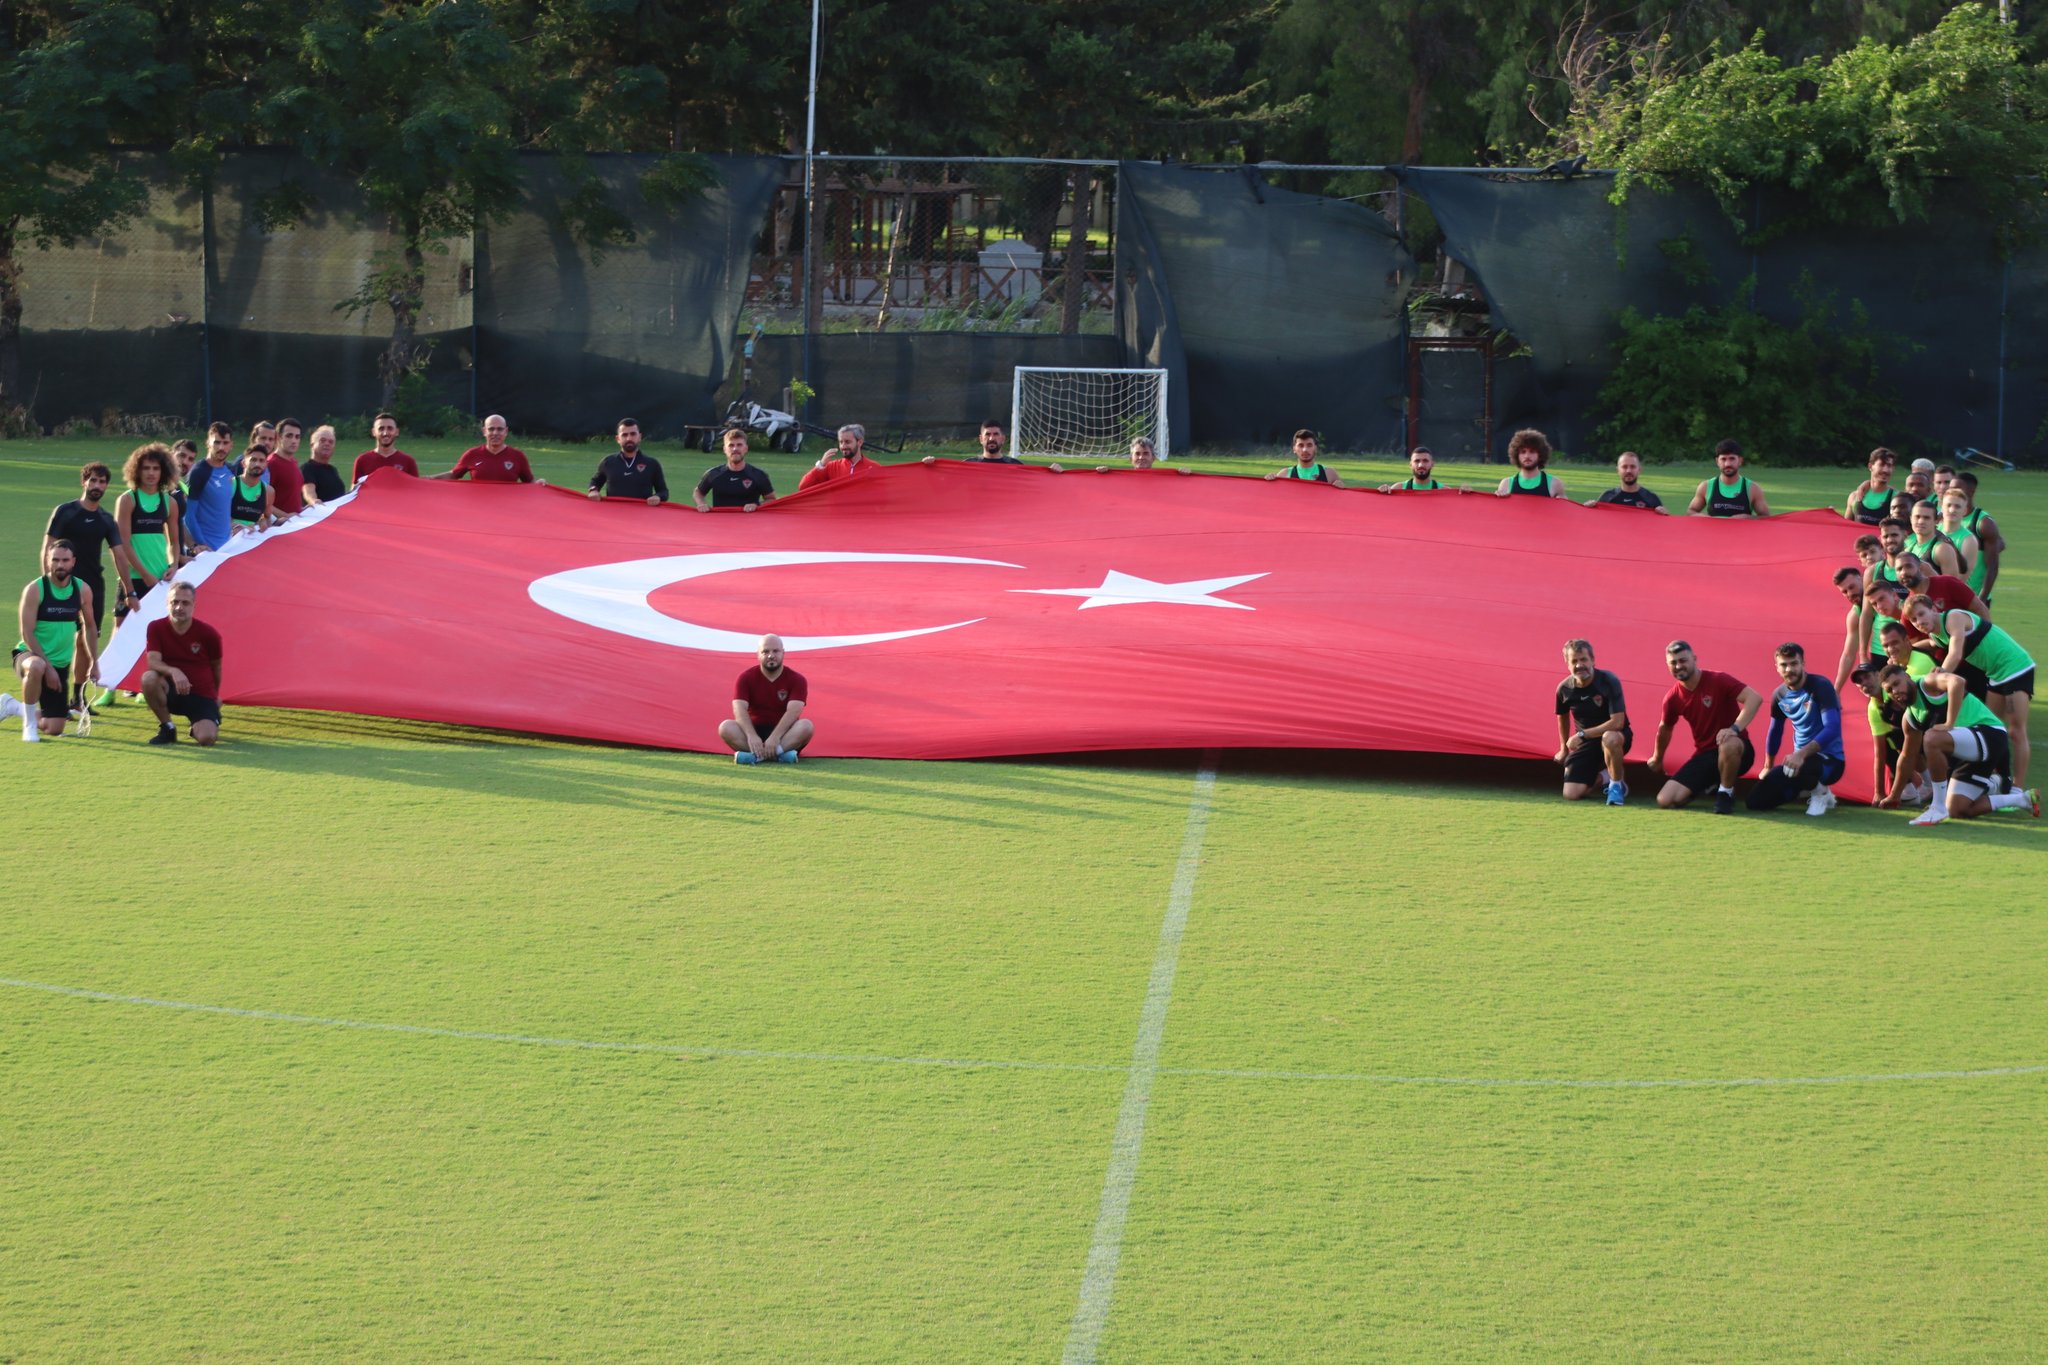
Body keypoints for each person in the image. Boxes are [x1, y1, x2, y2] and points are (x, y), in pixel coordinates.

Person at [1878, 664, 2038, 825]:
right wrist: (1894, 795)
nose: (1895, 692)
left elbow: (1957, 682)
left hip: (1990, 734)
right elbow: (1907, 756)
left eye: (1897, 683)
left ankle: (1938, 807)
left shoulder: (1927, 683)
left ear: (1907, 677)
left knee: (1932, 738)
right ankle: (2021, 799)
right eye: (1890, 690)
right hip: (1971, 752)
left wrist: (1949, 723)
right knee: (1958, 809)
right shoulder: (1910, 717)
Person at [1905, 592, 2034, 784]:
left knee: (2016, 731)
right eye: (1914, 620)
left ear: (1934, 609)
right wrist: (1908, 648)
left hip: (2016, 667)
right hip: (1995, 674)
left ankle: (2017, 787)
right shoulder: (1936, 634)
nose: (1919, 621)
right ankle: (2000, 779)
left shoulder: (1954, 618)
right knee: (1992, 728)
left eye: (1921, 614)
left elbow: (1955, 654)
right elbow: (1932, 643)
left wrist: (1941, 677)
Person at [44, 462, 143, 675]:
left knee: (86, 638)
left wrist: (130, 590)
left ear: (106, 486)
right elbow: (48, 549)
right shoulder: (65, 512)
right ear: (84, 482)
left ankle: (78, 698)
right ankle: (52, 689)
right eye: (93, 480)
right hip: (64, 583)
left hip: (93, 586)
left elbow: (119, 555)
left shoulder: (106, 520)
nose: (97, 485)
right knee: (57, 637)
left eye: (102, 481)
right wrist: (48, 584)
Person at [1647, 640, 1762, 814]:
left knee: (1729, 743)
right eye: (1673, 662)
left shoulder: (1718, 679)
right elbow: (1665, 728)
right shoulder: (1672, 698)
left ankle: (1726, 793)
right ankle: (1710, 784)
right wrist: (1657, 758)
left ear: (1694, 659)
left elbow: (1754, 698)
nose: (1678, 666)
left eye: (1683, 660)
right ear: (1668, 665)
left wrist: (1734, 729)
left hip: (1738, 751)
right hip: (1706, 755)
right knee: (1666, 800)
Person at [7, 541, 98, 742]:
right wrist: (48, 667)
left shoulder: (82, 590)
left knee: (54, 728)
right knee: (37, 666)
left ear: (73, 562)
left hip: (59, 665)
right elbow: (27, 633)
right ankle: (29, 726)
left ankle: (11, 706)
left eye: (65, 560)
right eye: (55, 560)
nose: (60, 565)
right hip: (29, 655)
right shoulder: (35, 589)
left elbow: (90, 627)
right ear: (48, 561)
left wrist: (94, 663)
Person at [1748, 643, 1845, 815]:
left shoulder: (1820, 686)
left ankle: (1820, 792)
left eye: (1794, 663)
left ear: (1803, 664)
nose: (1789, 669)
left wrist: (1800, 754)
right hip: (1798, 765)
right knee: (1756, 801)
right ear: (1777, 667)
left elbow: (1832, 728)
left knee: (1802, 767)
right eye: (1784, 665)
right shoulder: (1779, 694)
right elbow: (1775, 732)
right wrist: (1768, 766)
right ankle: (1805, 789)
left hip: (1830, 761)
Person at [140, 580, 224, 747]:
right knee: (148, 678)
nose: (179, 607)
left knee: (207, 739)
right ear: (167, 604)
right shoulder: (156, 627)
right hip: (171, 690)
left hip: (200, 695)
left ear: (194, 605)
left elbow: (217, 667)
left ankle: (204, 721)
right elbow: (153, 662)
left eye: (185, 603)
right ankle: (168, 728)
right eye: (174, 602)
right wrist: (174, 671)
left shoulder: (208, 633)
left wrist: (214, 696)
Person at [1554, 639, 1630, 804]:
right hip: (1587, 742)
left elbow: (1617, 722)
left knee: (1609, 737)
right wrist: (1563, 749)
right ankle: (1607, 776)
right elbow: (1562, 716)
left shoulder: (1608, 681)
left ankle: (1616, 787)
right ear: (1567, 663)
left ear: (1593, 660)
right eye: (1574, 661)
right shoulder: (1564, 689)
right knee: (1571, 793)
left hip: (1617, 736)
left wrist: (1582, 734)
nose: (1579, 665)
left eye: (1583, 659)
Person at [113, 442, 182, 621]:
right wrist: (144, 574)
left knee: (156, 627)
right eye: (146, 468)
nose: (151, 473)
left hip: (160, 579)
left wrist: (173, 566)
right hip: (134, 577)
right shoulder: (128, 500)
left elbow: (174, 541)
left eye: (155, 468)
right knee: (122, 628)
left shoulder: (170, 503)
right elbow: (123, 543)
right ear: (137, 470)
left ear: (163, 471)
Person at [720, 633, 812, 764]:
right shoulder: (745, 678)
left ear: (783, 652)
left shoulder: (797, 679)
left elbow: (794, 712)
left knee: (806, 726)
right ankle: (780, 756)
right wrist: (752, 736)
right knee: (725, 727)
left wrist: (775, 738)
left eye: (776, 651)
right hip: (753, 733)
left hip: (784, 735)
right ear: (758, 654)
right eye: (765, 651)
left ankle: (757, 757)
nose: (771, 655)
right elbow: (739, 709)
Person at [183, 421, 239, 559]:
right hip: (206, 550)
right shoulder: (199, 472)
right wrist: (202, 545)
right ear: (208, 443)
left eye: (225, 443)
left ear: (231, 444)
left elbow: (224, 509)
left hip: (227, 547)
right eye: (217, 442)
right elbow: (189, 516)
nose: (221, 447)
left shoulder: (231, 470)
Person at [587, 417, 667, 505]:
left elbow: (663, 491)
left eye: (633, 434)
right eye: (624, 435)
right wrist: (593, 490)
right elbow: (595, 481)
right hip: (614, 515)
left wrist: (657, 497)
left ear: (639, 437)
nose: (629, 438)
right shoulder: (608, 462)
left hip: (642, 515)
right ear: (618, 439)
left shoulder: (652, 464)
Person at [1949, 472, 2003, 602]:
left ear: (1971, 492)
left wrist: (1982, 599)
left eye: (1957, 489)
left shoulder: (1983, 523)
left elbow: (1992, 566)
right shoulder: (1942, 520)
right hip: (1949, 596)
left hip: (1974, 598)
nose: (1952, 492)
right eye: (1950, 488)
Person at [437, 414, 537, 483]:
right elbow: (453, 475)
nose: (495, 433)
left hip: (508, 509)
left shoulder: (518, 456)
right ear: (484, 431)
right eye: (491, 429)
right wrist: (429, 479)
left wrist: (540, 484)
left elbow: (530, 482)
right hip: (479, 508)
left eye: (500, 429)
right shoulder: (472, 454)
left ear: (506, 431)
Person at [695, 428, 773, 511]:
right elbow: (698, 492)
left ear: (746, 448)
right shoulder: (713, 474)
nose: (735, 449)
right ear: (724, 449)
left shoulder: (758, 475)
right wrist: (701, 504)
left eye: (739, 445)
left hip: (749, 522)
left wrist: (757, 505)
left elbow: (771, 499)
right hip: (720, 522)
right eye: (731, 445)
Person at [1687, 439, 1771, 517]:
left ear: (1740, 461)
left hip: (1741, 533)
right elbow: (1691, 511)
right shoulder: (1706, 486)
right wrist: (1703, 517)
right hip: (1713, 533)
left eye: (1732, 459)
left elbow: (1766, 518)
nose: (1727, 464)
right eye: (1723, 459)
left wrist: (1748, 518)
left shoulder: (1753, 488)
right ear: (1717, 461)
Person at [798, 423, 878, 491]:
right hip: (835, 509)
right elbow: (804, 486)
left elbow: (882, 496)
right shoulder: (831, 467)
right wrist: (820, 465)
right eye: (841, 442)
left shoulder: (873, 468)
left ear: (860, 442)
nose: (843, 446)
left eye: (847, 442)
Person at [350, 413, 420, 483]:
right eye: (381, 429)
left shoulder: (408, 462)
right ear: (373, 432)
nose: (385, 433)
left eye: (390, 428)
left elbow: (415, 490)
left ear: (397, 432)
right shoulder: (362, 461)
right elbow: (355, 491)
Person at [1903, 498, 1964, 578]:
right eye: (1917, 517)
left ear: (1936, 520)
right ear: (1911, 519)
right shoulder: (1909, 548)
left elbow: (1951, 587)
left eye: (1926, 518)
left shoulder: (1942, 549)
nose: (1921, 521)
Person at [1494, 429, 1563, 497]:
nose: (1527, 456)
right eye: (1523, 452)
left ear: (1540, 454)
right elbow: (1499, 508)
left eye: (1532, 451)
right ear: (1516, 455)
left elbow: (1565, 506)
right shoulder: (1506, 484)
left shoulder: (1554, 483)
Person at [1264, 428, 1342, 486]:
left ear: (1316, 448)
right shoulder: (1284, 475)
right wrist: (1268, 482)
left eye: (1309, 445)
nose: (1305, 450)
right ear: (1294, 449)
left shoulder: (1329, 473)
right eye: (1301, 445)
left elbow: (1340, 501)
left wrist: (1341, 488)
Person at [1936, 488, 1982, 585]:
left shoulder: (1969, 540)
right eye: (1948, 505)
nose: (1952, 510)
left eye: (1957, 506)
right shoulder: (1934, 531)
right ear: (1941, 507)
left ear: (1965, 511)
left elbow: (1960, 579)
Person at [1590, 451, 1663, 510]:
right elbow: (1596, 521)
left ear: (1639, 470)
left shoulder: (1651, 498)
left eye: (1633, 467)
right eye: (1624, 467)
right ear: (1618, 470)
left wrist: (1664, 515)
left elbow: (1662, 525)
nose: (1628, 471)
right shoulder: (1608, 497)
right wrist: (1587, 510)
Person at [229, 448, 277, 535]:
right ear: (243, 463)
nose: (257, 464)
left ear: (266, 464)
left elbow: (267, 518)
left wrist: (263, 522)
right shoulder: (231, 484)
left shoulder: (268, 491)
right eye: (253, 460)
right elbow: (219, 518)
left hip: (252, 540)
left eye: (261, 461)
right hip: (230, 539)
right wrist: (237, 526)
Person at [266, 418, 307, 515]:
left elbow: (290, 498)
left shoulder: (294, 462)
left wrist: (302, 509)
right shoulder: (271, 464)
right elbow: (261, 502)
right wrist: (286, 516)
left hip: (294, 524)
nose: (294, 441)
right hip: (279, 527)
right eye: (289, 436)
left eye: (297, 437)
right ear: (279, 437)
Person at [1844, 447, 1896, 525]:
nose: (1885, 470)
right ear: (1870, 466)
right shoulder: (1854, 496)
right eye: (1881, 465)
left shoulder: (1896, 498)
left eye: (1889, 466)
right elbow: (1845, 527)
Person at [299, 425, 348, 506]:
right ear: (312, 445)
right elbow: (308, 491)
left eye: (331, 442)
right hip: (319, 515)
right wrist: (313, 501)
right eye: (322, 440)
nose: (327, 444)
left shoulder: (333, 470)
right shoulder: (307, 468)